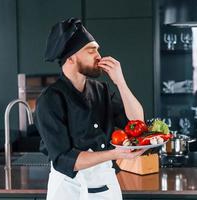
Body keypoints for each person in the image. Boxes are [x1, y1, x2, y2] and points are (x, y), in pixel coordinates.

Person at [35, 18, 146, 200]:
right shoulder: (49, 100)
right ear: (71, 58)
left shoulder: (101, 90)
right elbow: (64, 159)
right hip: (68, 190)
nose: (98, 56)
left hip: (106, 186)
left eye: (97, 50)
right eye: (91, 50)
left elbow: (136, 125)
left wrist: (121, 83)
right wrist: (114, 153)